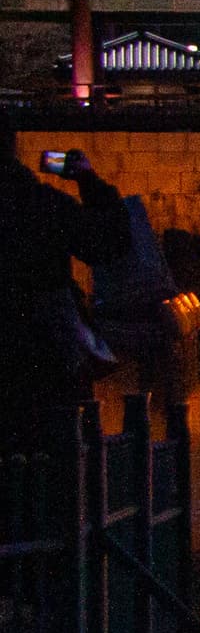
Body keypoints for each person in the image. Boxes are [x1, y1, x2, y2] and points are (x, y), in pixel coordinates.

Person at [0, 149, 123, 443]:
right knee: (62, 449)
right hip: (49, 357)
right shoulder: (43, 206)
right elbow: (110, 241)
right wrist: (87, 179)